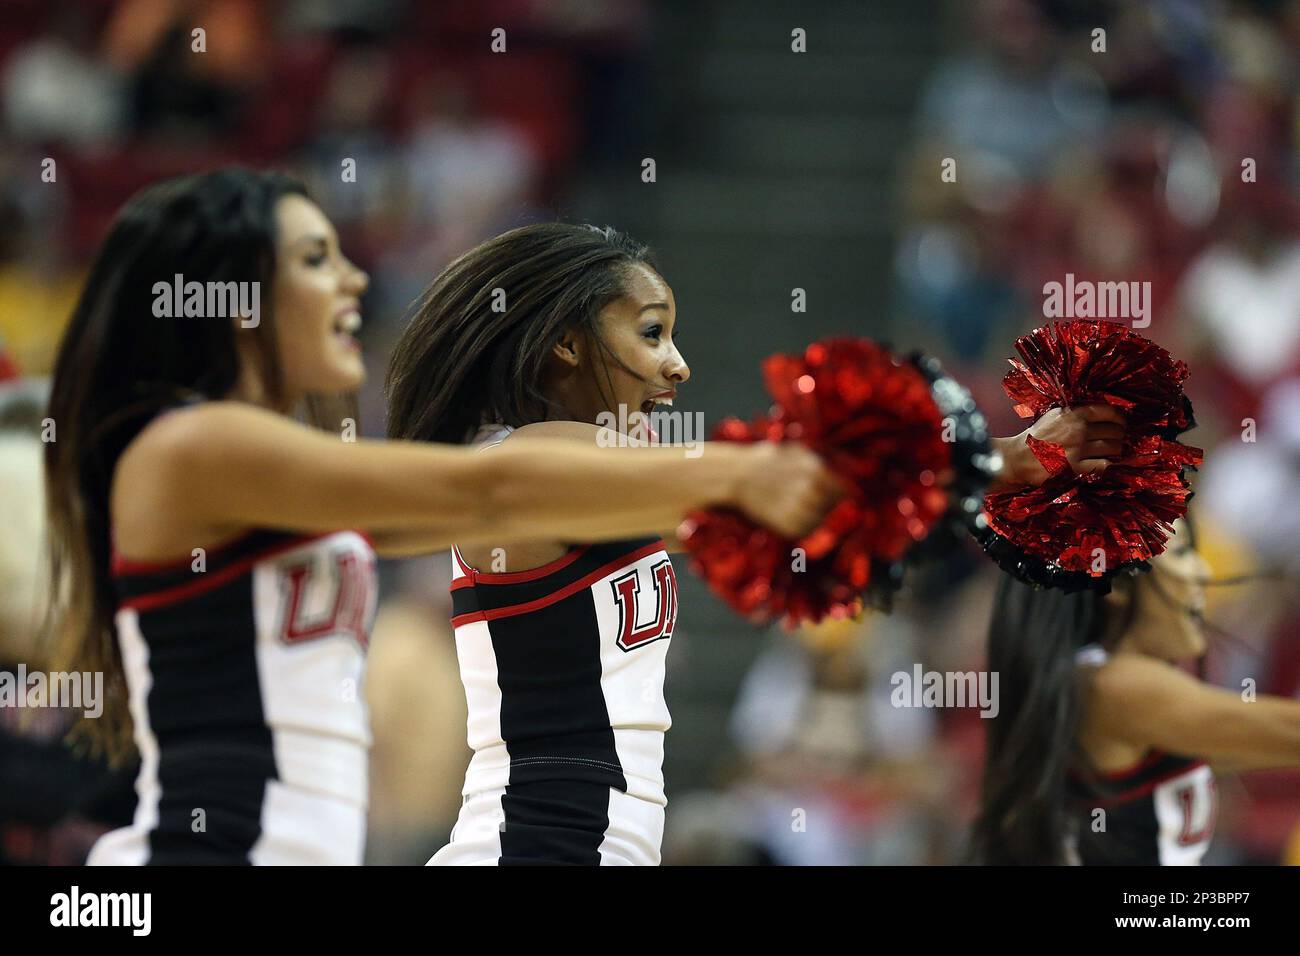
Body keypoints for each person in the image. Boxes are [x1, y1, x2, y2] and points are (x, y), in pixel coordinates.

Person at [45, 169, 841, 865]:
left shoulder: (287, 473)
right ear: (234, 296)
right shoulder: (197, 444)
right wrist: (746, 468)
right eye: (317, 260)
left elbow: (510, 495)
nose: (355, 278)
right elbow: (488, 489)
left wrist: (877, 483)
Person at [385, 221, 1127, 865]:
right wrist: (1006, 458)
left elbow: (798, 498)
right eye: (650, 334)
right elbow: (774, 474)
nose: (678, 365)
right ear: (566, 347)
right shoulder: (524, 462)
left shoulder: (610, 487)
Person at [971, 518, 1300, 865]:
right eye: (1184, 553)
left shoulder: (1108, 686)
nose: (1203, 573)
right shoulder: (1113, 687)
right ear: (1121, 587)